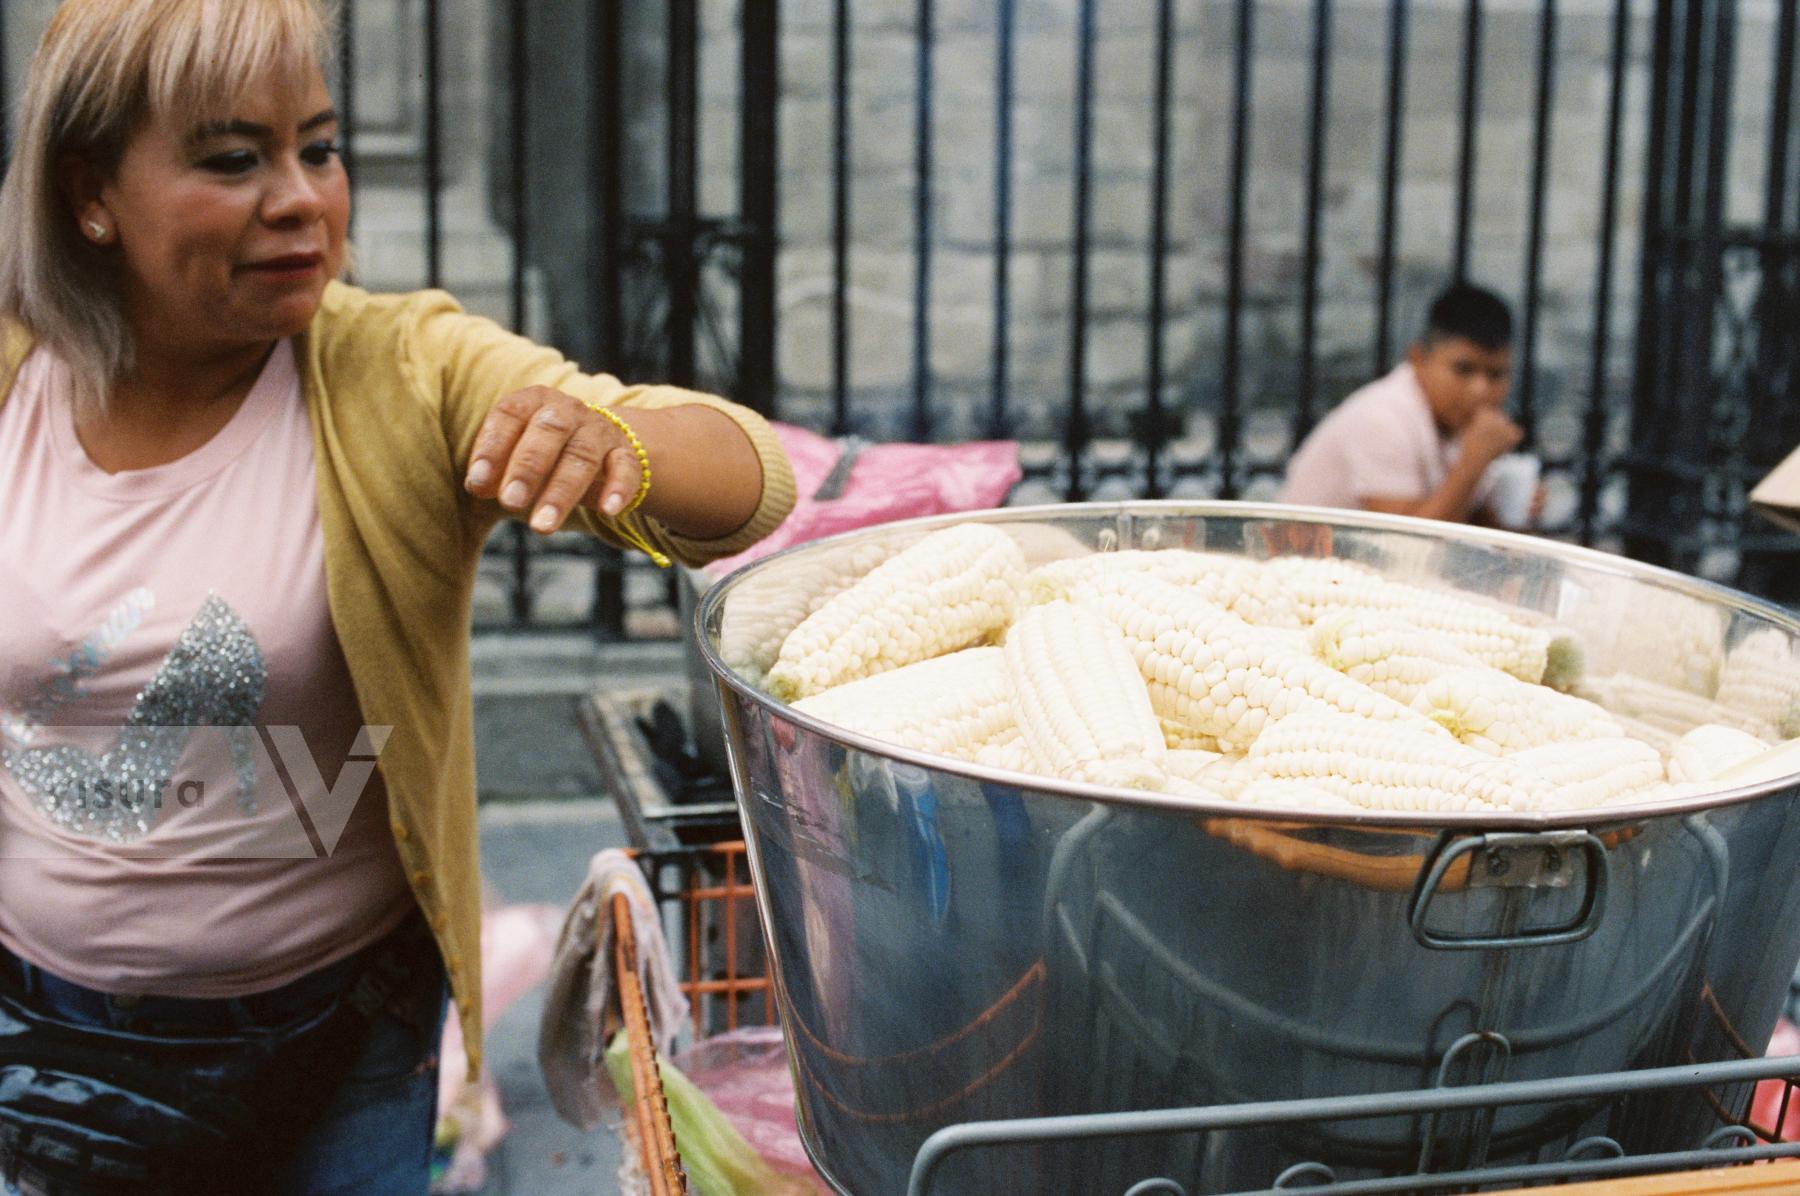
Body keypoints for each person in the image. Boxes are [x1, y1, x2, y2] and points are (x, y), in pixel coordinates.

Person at [0, 1, 795, 1191]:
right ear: (90, 194)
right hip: (43, 1039)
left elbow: (750, 483)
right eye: (233, 159)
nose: (300, 198)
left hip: (342, 1039)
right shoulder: (17, 381)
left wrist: (613, 441)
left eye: (318, 148)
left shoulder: (400, 371)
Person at [1279, 283, 1526, 525]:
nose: (1480, 390)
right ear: (1418, 359)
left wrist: (1519, 506)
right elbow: (1404, 544)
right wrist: (1474, 462)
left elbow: (1477, 532)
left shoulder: (1458, 424)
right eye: (1463, 369)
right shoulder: (1382, 418)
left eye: (1496, 374)